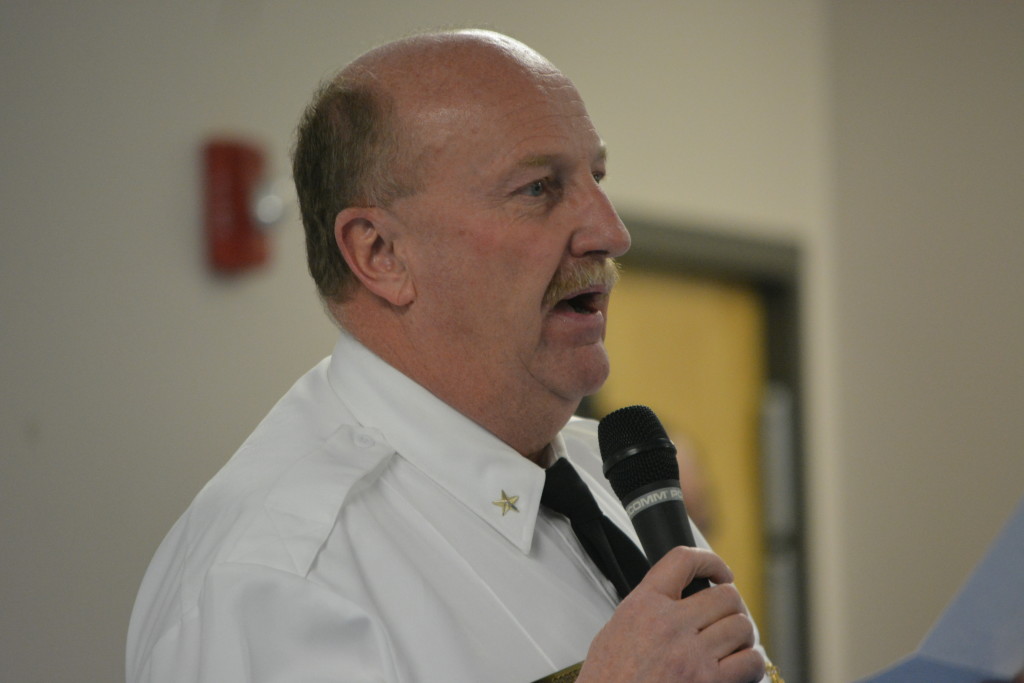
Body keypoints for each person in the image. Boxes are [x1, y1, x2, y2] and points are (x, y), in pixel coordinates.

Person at [127, 29, 771, 682]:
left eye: (596, 178)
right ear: (381, 252)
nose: (611, 232)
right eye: (539, 189)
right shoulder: (277, 577)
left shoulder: (610, 479)